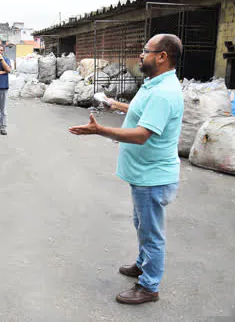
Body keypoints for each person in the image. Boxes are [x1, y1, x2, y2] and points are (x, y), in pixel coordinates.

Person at [69, 34, 184, 305]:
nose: (141, 55)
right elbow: (140, 110)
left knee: (151, 232)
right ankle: (144, 264)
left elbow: (142, 134)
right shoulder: (155, 85)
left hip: (153, 177)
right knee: (141, 224)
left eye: (146, 51)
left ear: (162, 56)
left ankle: (149, 286)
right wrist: (113, 104)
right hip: (144, 174)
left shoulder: (164, 93)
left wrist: (99, 131)